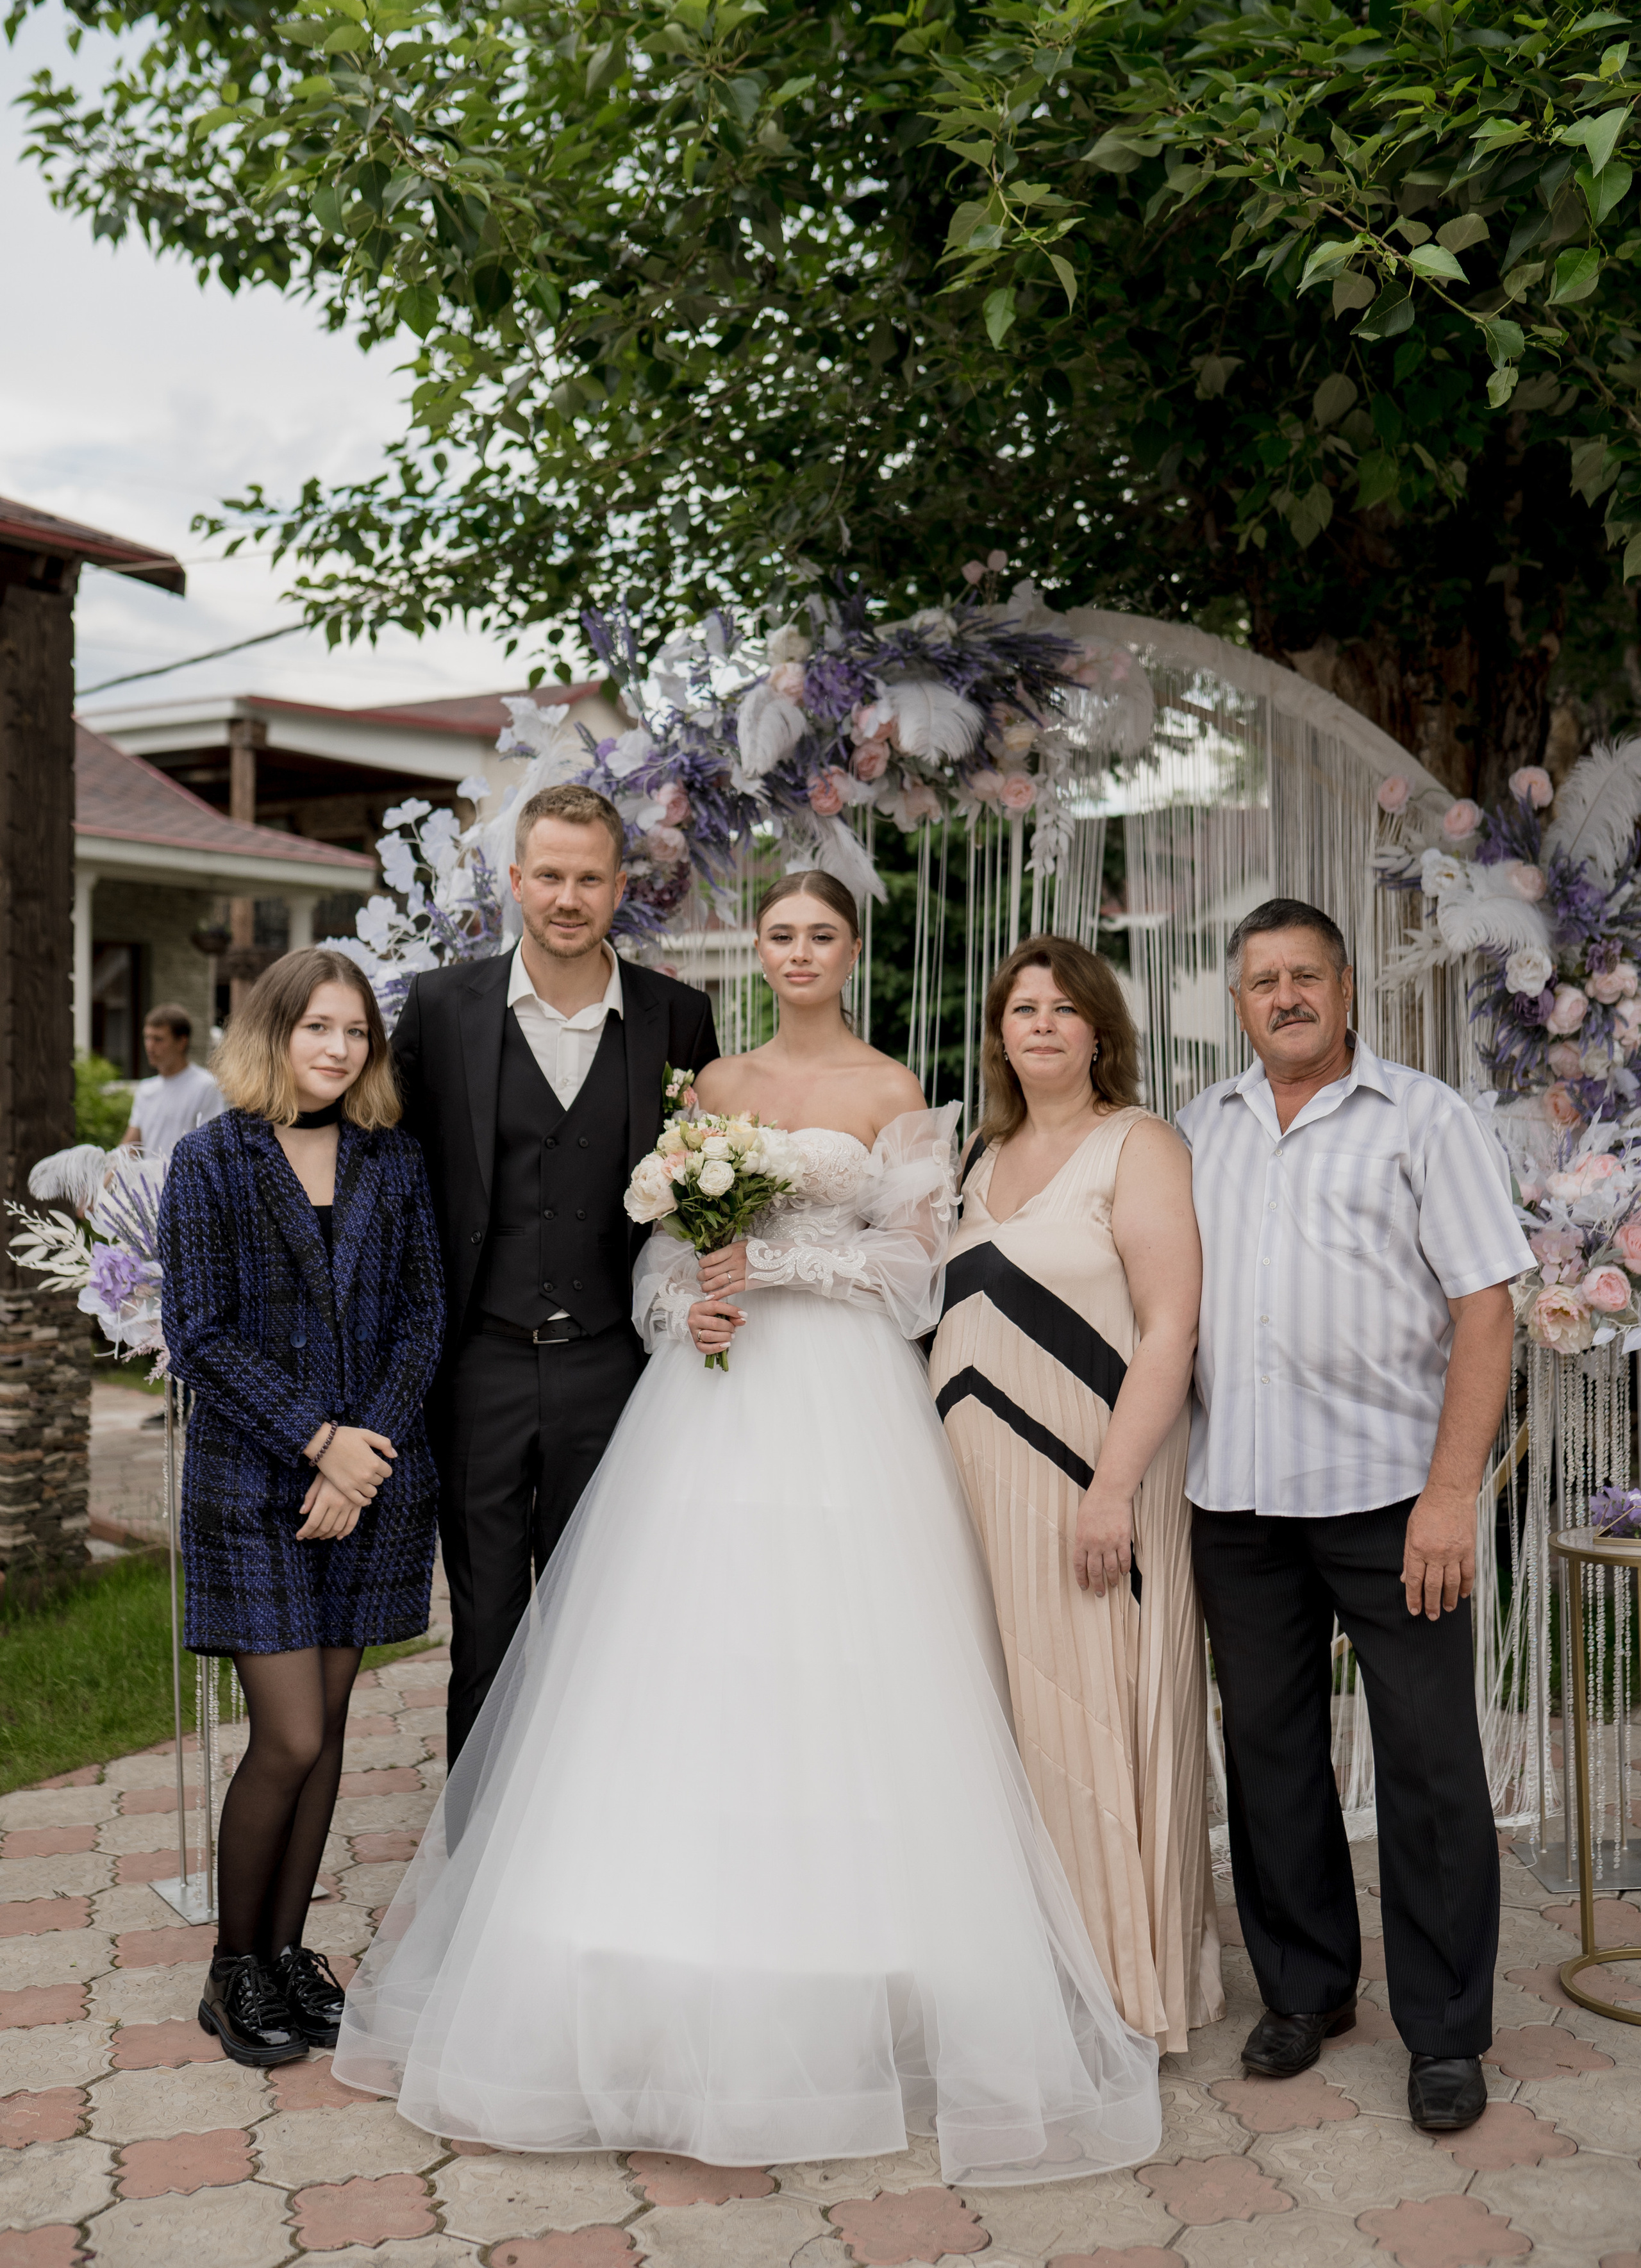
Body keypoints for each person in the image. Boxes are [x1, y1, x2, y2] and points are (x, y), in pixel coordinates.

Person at [335, 871, 1163, 2184]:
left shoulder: (896, 1096)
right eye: (778, 934)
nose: (797, 953)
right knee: (685, 1657)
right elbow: (659, 1252)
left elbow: (911, 1277)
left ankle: (859, 1959)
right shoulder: (711, 1089)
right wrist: (686, 1307)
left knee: (844, 1657)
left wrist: (768, 1267)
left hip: (843, 1401)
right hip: (710, 1403)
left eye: (820, 935)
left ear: (849, 950)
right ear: (757, 954)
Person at [1176, 897, 1532, 2137]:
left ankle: (1445, 2032)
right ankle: (1306, 1990)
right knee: (1268, 1758)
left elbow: (1487, 1311)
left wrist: (1451, 1495)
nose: (1286, 997)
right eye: (1263, 981)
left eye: (1306, 977)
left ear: (1346, 994)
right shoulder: (1198, 1129)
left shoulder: (1425, 1118)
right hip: (1235, 1498)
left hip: (1392, 1500)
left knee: (1430, 1765)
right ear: (1239, 1004)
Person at [929, 935, 1220, 2056]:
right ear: (999, 1032)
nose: (1041, 1024)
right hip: (974, 1495)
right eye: (1020, 1008)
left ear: (1102, 1029)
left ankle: (1121, 1989)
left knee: (1096, 1721)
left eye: (1063, 1007)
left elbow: (1170, 1327)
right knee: (1006, 1728)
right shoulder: (979, 1153)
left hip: (1092, 1484)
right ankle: (1035, 1973)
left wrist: (1111, 1492)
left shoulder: (1139, 1146)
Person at [390, 783, 719, 1771]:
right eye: (549, 877)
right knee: (485, 1631)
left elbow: (709, 1182)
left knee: (603, 1628)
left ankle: (589, 1856)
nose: (567, 898)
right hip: (479, 1366)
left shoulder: (677, 1017)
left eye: (589, 878)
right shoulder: (443, 1007)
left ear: (622, 887)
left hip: (614, 1370)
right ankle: (473, 1871)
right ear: (515, 882)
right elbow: (392, 1173)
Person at [158, 950, 444, 2071]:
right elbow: (200, 1335)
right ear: (273, 1032)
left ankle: (286, 1955)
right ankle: (233, 1971)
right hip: (252, 1485)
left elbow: (423, 1316)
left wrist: (359, 1459)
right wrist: (318, 1444)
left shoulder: (394, 1159)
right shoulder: (210, 1161)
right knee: (291, 1735)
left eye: (355, 1034)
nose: (336, 1049)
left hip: (371, 1482)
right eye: (316, 1027)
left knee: (329, 1742)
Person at [120, 1003, 225, 1155]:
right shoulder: (146, 1089)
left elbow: (212, 1147)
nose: (150, 1046)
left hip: (188, 1179)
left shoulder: (206, 1086)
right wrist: (104, 1177)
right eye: (147, 1037)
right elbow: (129, 1148)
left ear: (182, 1042)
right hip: (149, 1178)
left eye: (158, 1039)